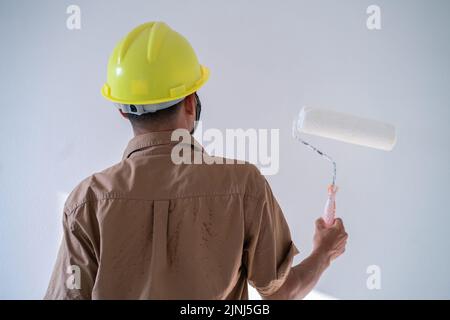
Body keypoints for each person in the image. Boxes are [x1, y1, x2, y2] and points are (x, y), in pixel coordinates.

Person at [45, 21, 347, 300]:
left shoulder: (86, 201)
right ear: (191, 102)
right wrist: (324, 252)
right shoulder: (244, 186)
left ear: (122, 111)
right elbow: (281, 294)